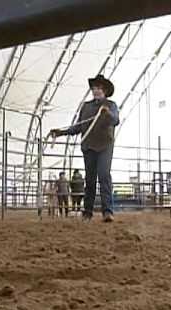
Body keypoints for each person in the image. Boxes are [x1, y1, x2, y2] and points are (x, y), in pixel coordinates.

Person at [49, 74, 119, 222]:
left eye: (99, 88)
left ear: (105, 90)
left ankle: (107, 211)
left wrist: (107, 113)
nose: (96, 90)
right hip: (88, 146)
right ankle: (87, 212)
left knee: (104, 175)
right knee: (90, 179)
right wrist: (61, 132)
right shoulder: (86, 107)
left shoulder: (110, 105)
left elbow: (115, 120)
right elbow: (79, 127)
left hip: (104, 145)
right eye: (94, 88)